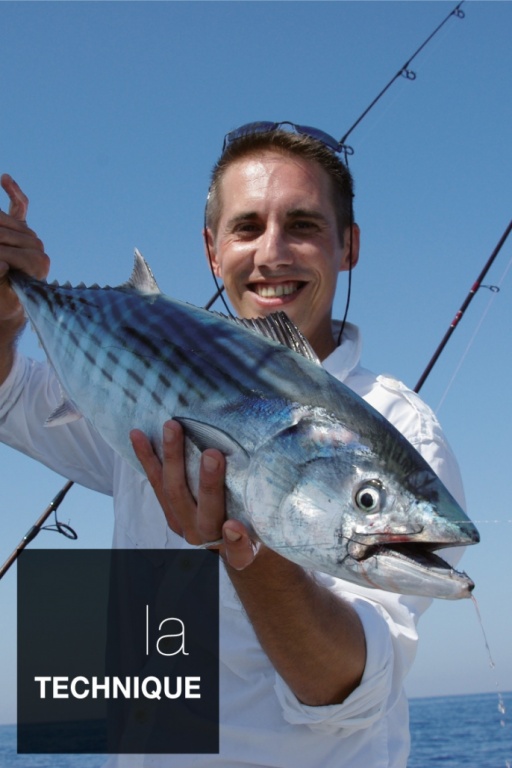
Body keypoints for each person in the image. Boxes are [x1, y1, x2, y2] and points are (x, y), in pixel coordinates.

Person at [0, 122, 467, 767]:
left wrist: (247, 549)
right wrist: (9, 311)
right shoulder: (144, 376)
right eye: (247, 227)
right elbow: (10, 397)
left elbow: (346, 690)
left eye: (303, 224)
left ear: (349, 245)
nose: (272, 253)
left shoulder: (400, 427)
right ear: (211, 250)